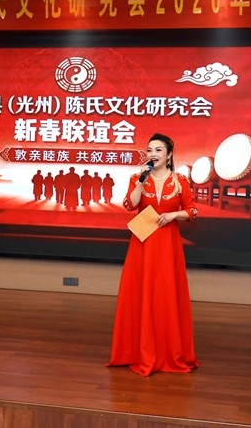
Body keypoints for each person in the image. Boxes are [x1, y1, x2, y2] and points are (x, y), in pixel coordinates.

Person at [108, 133, 199, 376]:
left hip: (167, 243)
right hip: (143, 242)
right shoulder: (137, 178)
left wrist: (173, 215)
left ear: (169, 155)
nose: (153, 154)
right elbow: (129, 205)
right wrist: (140, 182)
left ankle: (170, 352)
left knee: (165, 293)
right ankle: (138, 352)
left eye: (158, 150)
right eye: (149, 150)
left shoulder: (179, 181)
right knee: (141, 292)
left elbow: (192, 210)